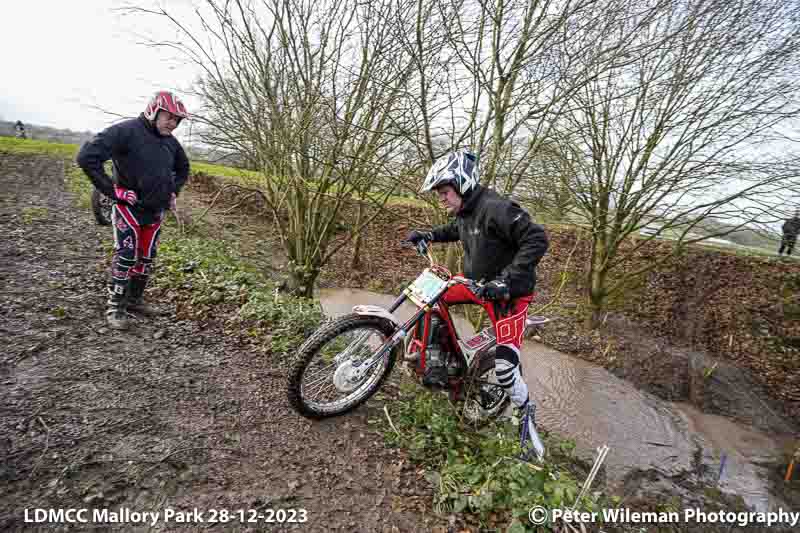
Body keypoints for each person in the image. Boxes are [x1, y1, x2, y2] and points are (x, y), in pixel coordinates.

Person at [405, 149, 549, 461]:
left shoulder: (497, 208)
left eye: (443, 192)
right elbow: (457, 230)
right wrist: (428, 235)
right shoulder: (467, 210)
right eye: (438, 194)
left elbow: (537, 239)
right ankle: (441, 361)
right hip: (477, 286)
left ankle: (528, 423)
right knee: (433, 298)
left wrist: (507, 281)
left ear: (462, 182)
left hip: (508, 296)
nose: (440, 199)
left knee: (506, 369)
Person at [77, 91, 190, 330]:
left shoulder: (171, 141)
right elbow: (87, 157)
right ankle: (115, 305)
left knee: (146, 258)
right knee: (126, 256)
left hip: (155, 211)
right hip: (129, 209)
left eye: (177, 120)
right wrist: (112, 191)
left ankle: (135, 300)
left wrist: (173, 191)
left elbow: (183, 168)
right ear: (153, 110)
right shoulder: (126, 131)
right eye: (169, 117)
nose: (173, 123)